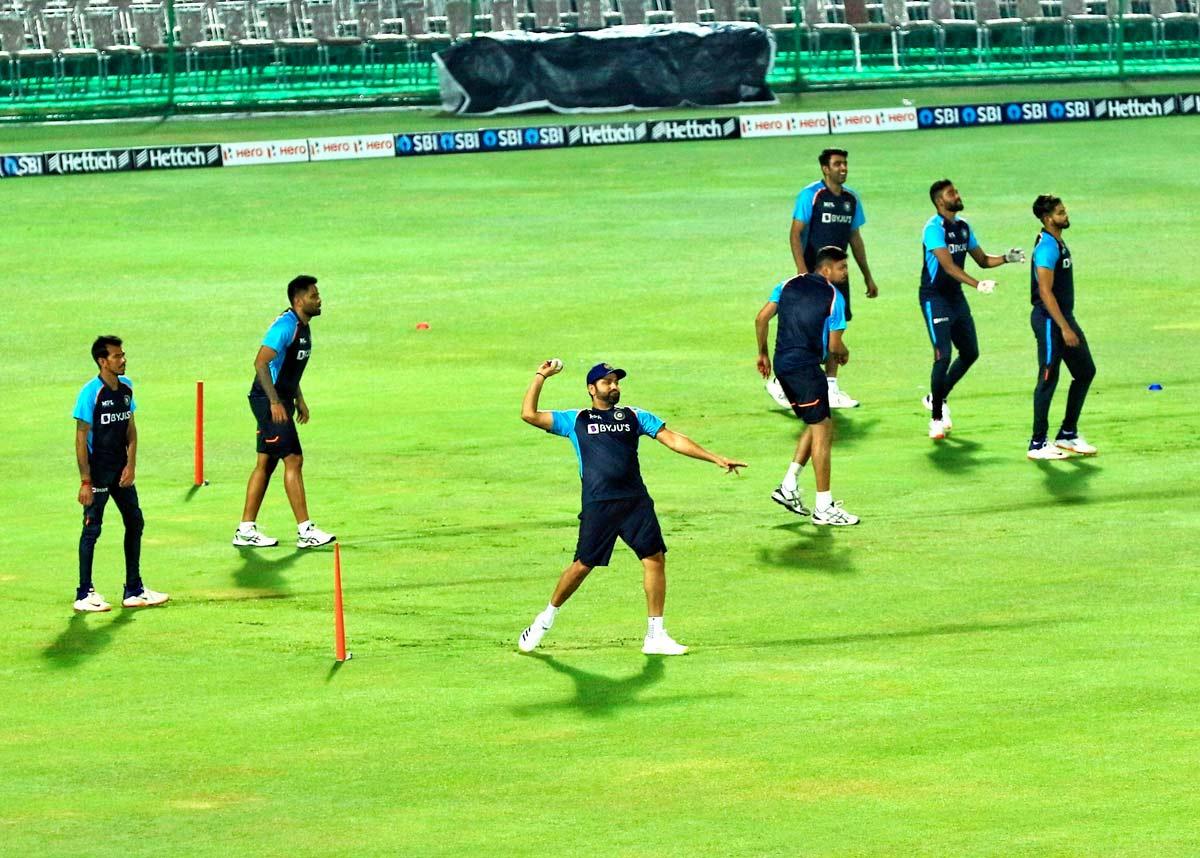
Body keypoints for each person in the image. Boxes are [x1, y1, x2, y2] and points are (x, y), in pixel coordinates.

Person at [517, 360, 746, 656]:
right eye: (607, 382)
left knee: (654, 559)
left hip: (635, 501)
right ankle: (544, 620)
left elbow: (674, 439)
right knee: (582, 566)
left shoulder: (634, 416)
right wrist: (540, 376)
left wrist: (714, 457)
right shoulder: (576, 419)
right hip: (600, 504)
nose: (614, 386)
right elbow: (529, 414)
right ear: (591, 389)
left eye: (616, 381)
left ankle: (655, 635)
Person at [758, 246, 860, 526]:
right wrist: (844, 352)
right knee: (824, 431)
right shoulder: (834, 297)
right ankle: (824, 507)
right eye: (842, 268)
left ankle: (788, 486)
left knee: (817, 423)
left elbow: (761, 318)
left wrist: (763, 352)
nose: (845, 273)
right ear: (826, 269)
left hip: (784, 364)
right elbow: (835, 345)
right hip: (805, 369)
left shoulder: (787, 284)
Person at [233, 276, 335, 550]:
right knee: (294, 459)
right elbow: (261, 362)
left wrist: (298, 398)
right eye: (314, 295)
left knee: (266, 464)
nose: (319, 299)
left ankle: (245, 530)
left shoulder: (302, 326)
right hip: (269, 401)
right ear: (299, 300)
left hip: (281, 399)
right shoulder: (285, 326)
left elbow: (288, 367)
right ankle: (305, 531)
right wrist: (275, 402)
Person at [920, 179, 1025, 440]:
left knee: (970, 352)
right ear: (939, 201)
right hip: (935, 298)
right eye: (951, 193)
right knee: (942, 356)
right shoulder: (933, 229)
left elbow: (982, 260)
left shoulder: (964, 227)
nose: (957, 195)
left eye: (956, 191)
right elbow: (947, 266)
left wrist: (1005, 258)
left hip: (954, 296)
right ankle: (936, 417)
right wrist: (977, 285)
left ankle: (936, 396)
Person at [72, 336, 168, 612]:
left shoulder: (127, 388)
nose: (123, 359)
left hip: (120, 470)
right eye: (117, 356)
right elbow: (80, 440)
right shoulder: (90, 393)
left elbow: (131, 429)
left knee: (135, 522)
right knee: (92, 529)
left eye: (123, 355)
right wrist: (85, 481)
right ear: (103, 362)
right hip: (98, 473)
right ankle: (83, 593)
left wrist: (131, 465)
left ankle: (134, 589)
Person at [788, 147, 879, 409]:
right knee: (814, 329)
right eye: (838, 164)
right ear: (825, 169)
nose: (843, 168)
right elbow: (795, 234)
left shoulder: (851, 199)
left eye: (845, 164)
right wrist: (802, 270)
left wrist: (867, 276)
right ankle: (790, 380)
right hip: (815, 275)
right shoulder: (811, 195)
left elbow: (855, 239)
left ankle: (829, 387)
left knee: (836, 326)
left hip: (840, 276)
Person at [1027, 194, 1097, 460]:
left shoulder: (1057, 242)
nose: (1065, 214)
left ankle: (1067, 433)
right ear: (1048, 219)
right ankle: (1037, 443)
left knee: (1085, 371)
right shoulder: (1046, 247)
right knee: (1048, 376)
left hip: (1062, 317)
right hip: (1048, 320)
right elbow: (1045, 292)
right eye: (1060, 212)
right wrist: (1064, 328)